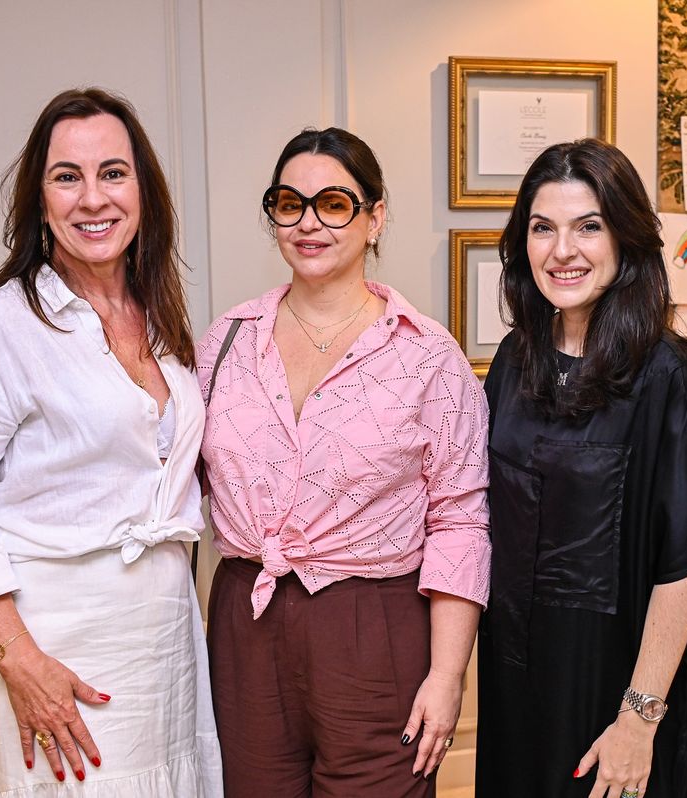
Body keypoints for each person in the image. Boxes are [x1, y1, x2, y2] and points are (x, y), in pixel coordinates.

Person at [0, 88, 222, 796]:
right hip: (55, 649)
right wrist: (21, 663)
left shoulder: (158, 317)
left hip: (165, 645)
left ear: (142, 191)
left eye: (113, 173)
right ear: (39, 199)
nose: (93, 198)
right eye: (66, 177)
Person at [197, 127, 491, 797]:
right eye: (289, 204)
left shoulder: (427, 356)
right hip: (246, 620)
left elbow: (460, 521)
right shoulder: (226, 342)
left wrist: (447, 676)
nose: (309, 223)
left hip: (374, 627)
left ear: (374, 217)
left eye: (333, 204)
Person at [476, 139, 687, 798]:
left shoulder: (671, 377)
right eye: (543, 228)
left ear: (625, 238)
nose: (563, 250)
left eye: (588, 227)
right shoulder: (514, 359)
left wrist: (638, 720)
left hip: (618, 695)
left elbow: (685, 566)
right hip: (516, 684)